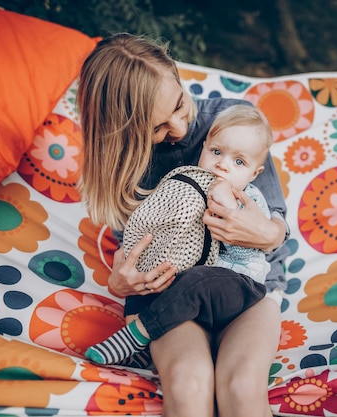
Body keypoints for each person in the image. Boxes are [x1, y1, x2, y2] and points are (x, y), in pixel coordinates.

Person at [77, 33, 290, 417]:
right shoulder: (130, 163)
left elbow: (276, 227)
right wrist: (118, 282)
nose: (177, 127)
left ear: (176, 74)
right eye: (156, 128)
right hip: (167, 294)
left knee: (242, 386)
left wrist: (264, 233)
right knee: (189, 384)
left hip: (246, 287)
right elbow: (134, 247)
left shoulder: (233, 123)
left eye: (179, 104)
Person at [85, 104, 273, 365]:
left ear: (254, 173)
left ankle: (136, 336)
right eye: (216, 152)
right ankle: (146, 354)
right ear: (205, 146)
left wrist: (228, 208)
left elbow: (250, 251)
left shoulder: (248, 199)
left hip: (238, 285)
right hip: (190, 284)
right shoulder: (185, 185)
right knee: (158, 282)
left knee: (198, 279)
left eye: (238, 162)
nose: (222, 165)